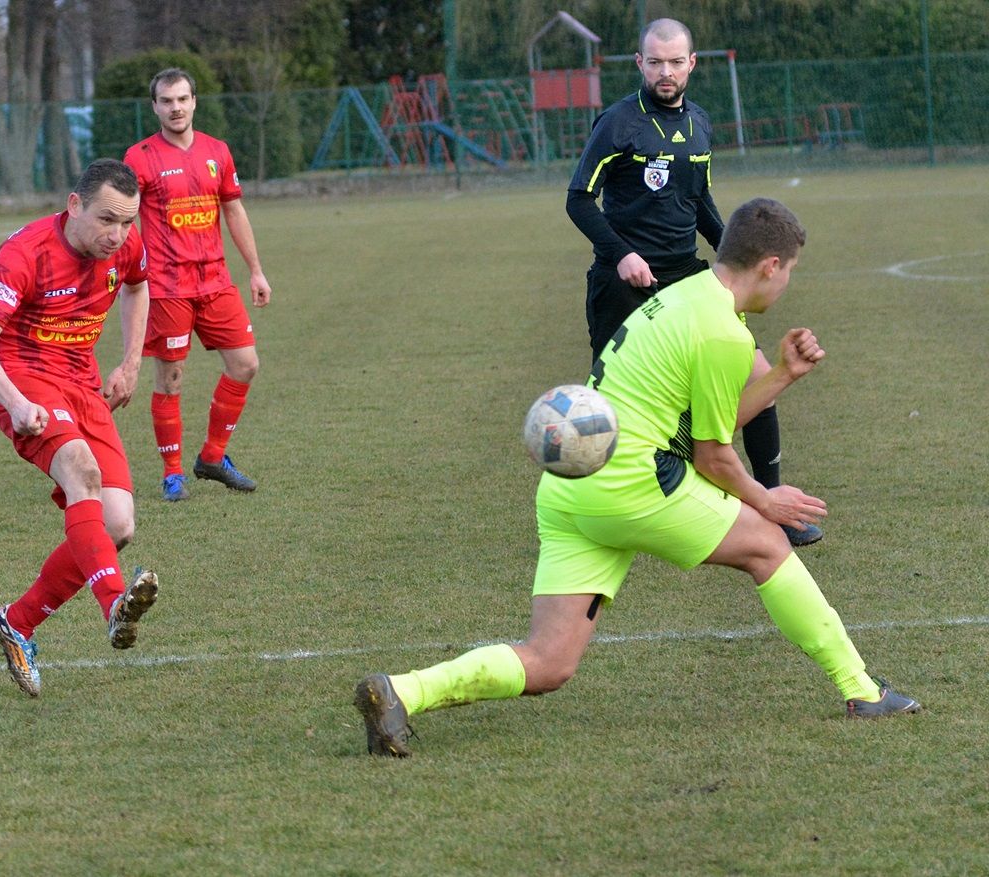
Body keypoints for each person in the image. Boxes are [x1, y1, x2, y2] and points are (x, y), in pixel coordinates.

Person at [354, 198, 919, 759]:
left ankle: (403, 691)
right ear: (771, 265)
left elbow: (699, 425)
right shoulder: (720, 331)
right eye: (791, 270)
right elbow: (712, 457)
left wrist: (783, 375)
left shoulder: (687, 296)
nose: (787, 283)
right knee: (768, 546)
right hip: (634, 482)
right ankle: (862, 690)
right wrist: (765, 501)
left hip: (573, 485)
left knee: (549, 662)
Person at [566, 19, 820, 547]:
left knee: (758, 377)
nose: (665, 72)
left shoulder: (700, 123)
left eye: (675, 62)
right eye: (655, 62)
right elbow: (579, 199)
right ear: (639, 63)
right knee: (609, 407)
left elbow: (698, 201)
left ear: (692, 63)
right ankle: (586, 511)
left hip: (689, 278)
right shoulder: (617, 124)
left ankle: (772, 506)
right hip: (624, 285)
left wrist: (737, 253)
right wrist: (622, 254)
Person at [0, 158, 160, 698]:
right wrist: (15, 401)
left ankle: (17, 622)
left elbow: (138, 287)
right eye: (106, 220)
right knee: (82, 471)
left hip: (83, 382)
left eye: (126, 222)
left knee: (117, 524)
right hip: (24, 379)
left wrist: (130, 364)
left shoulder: (127, 244)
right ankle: (116, 604)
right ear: (74, 205)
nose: (117, 235)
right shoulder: (25, 253)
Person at [123, 68, 272, 502]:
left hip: (216, 282)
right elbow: (126, 221)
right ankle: (172, 475)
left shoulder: (217, 151)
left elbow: (235, 211)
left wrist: (256, 270)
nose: (176, 107)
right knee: (170, 378)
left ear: (194, 102)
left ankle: (212, 457)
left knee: (245, 365)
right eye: (167, 101)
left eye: (183, 99)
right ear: (155, 107)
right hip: (167, 287)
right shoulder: (140, 157)